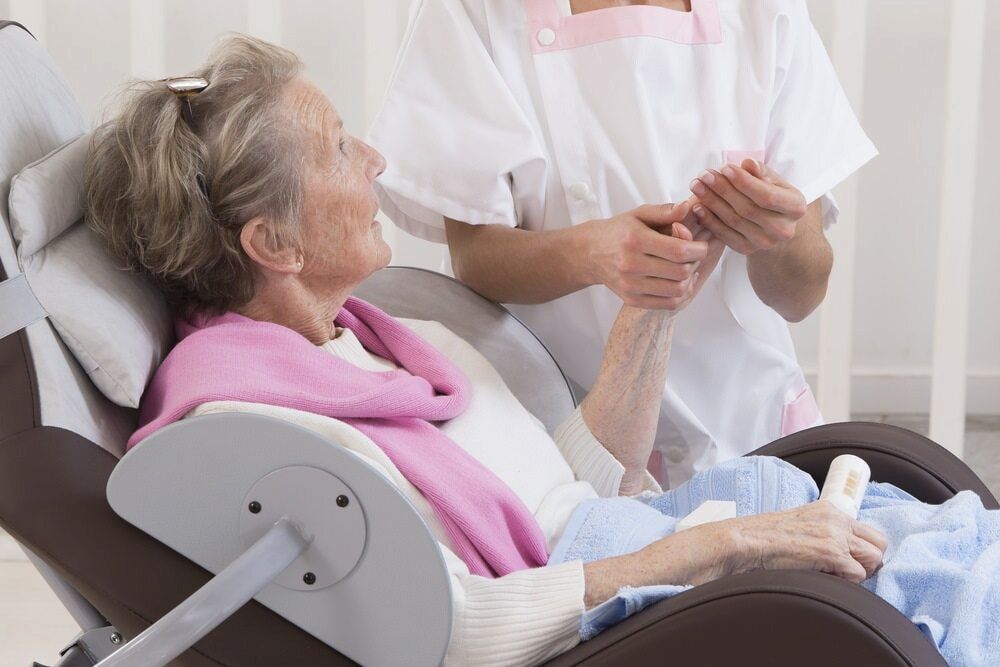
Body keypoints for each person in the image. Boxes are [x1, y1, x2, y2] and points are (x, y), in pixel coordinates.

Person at [84, 36, 888, 665]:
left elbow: (565, 494)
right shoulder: (262, 432)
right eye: (337, 150)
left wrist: (655, 302)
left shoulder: (375, 343)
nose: (377, 160)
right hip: (633, 623)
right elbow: (460, 628)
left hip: (645, 549)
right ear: (274, 242)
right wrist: (733, 545)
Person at [367, 0, 878, 487]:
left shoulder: (765, 13)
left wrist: (772, 238)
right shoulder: (472, 12)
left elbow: (803, 294)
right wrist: (595, 254)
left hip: (751, 432)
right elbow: (476, 259)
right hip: (556, 433)